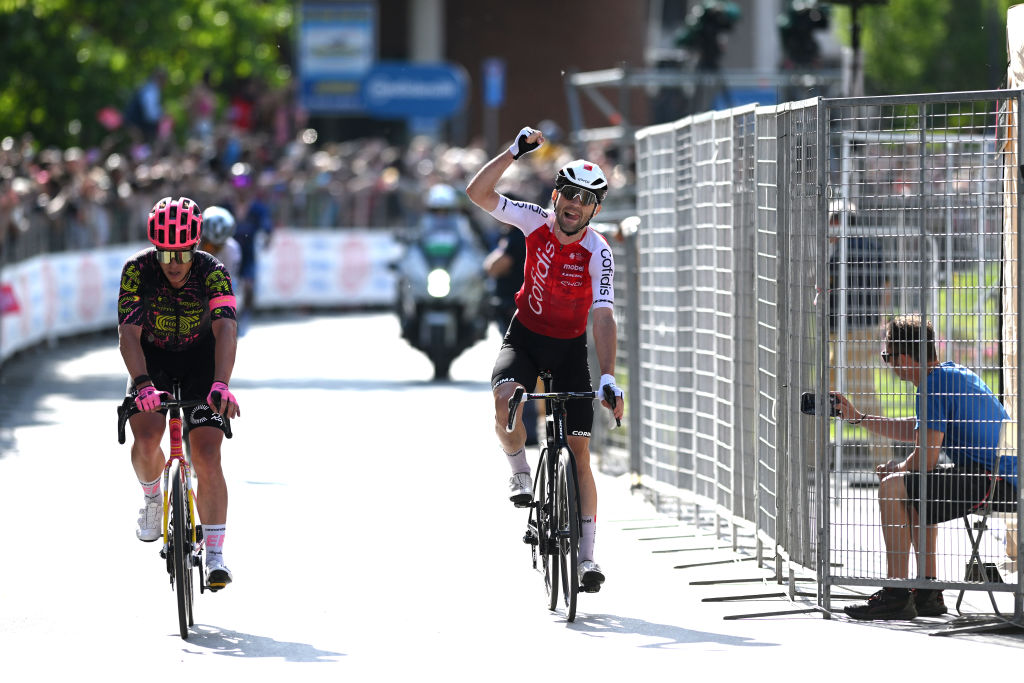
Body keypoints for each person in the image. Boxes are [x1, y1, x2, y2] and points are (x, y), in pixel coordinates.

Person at [466, 126, 625, 591]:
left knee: (580, 454)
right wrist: (514, 150)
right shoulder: (534, 220)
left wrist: (610, 376)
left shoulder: (599, 250)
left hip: (570, 349)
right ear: (556, 195)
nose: (575, 204)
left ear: (596, 209)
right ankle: (518, 474)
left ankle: (588, 559)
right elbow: (478, 193)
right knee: (505, 398)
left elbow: (603, 316)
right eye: (569, 194)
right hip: (526, 338)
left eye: (586, 200)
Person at [832, 314, 1015, 620]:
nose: (887, 364)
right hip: (1000, 478)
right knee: (915, 485)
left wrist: (897, 471)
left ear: (903, 358)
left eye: (886, 356)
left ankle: (896, 593)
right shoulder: (948, 375)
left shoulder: (933, 385)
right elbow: (917, 431)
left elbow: (925, 458)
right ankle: (927, 592)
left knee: (894, 487)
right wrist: (859, 418)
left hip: (997, 482)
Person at [117, 196, 241, 591]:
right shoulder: (137, 270)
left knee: (206, 453)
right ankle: (153, 499)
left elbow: (226, 329)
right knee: (148, 435)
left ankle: (216, 556)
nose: (173, 262)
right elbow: (128, 335)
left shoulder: (214, 271)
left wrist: (221, 383)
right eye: (165, 251)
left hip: (201, 360)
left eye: (182, 253)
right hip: (151, 358)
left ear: (196, 246)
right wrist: (141, 385)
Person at [483, 205, 538, 446]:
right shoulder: (526, 234)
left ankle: (525, 431)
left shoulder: (516, 235)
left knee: (519, 372)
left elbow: (495, 266)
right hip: (526, 311)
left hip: (517, 312)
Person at [200, 205, 242, 282]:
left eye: (217, 247)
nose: (211, 250)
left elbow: (227, 279)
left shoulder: (231, 250)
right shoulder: (192, 243)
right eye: (207, 244)